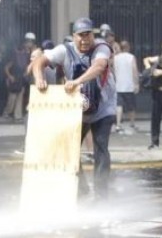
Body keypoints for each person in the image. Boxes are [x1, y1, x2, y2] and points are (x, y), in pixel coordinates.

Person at [32, 17, 117, 199]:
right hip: (76, 108)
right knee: (69, 149)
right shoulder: (65, 49)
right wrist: (40, 77)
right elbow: (39, 61)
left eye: (89, 35)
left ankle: (102, 195)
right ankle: (81, 188)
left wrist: (77, 81)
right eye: (81, 36)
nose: (85, 40)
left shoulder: (101, 48)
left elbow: (100, 66)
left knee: (101, 147)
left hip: (103, 107)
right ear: (74, 36)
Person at [113, 40, 139, 133]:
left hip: (119, 85)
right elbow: (134, 70)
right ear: (128, 47)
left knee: (119, 105)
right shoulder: (131, 57)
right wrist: (136, 83)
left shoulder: (116, 58)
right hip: (129, 85)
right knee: (131, 106)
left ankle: (118, 124)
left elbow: (113, 70)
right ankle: (132, 123)